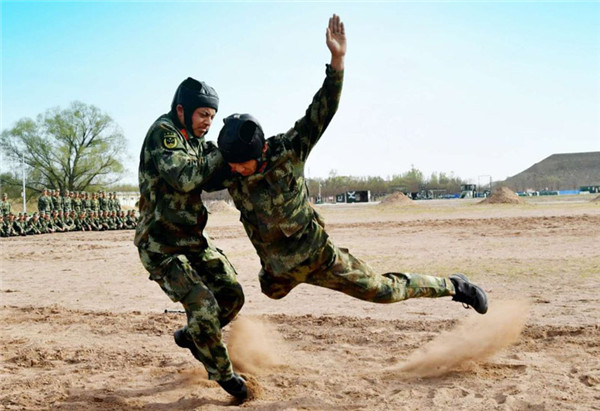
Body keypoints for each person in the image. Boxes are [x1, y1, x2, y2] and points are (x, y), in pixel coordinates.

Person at [216, 14, 488, 316]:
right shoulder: (225, 169)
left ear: (262, 149)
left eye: (243, 164)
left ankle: (455, 286)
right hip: (277, 272)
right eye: (232, 165)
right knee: (270, 292)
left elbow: (322, 109)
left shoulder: (289, 150)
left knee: (384, 291)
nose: (237, 171)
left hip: (319, 257)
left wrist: (337, 60)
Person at [134, 76, 247, 400]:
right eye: (203, 115)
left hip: (191, 238)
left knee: (231, 294)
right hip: (160, 244)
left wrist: (240, 157)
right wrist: (220, 155)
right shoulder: (164, 133)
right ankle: (225, 376)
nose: (208, 123)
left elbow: (214, 176)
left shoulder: (197, 141)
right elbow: (185, 178)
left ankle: (193, 334)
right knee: (203, 303)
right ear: (182, 110)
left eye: (212, 116)